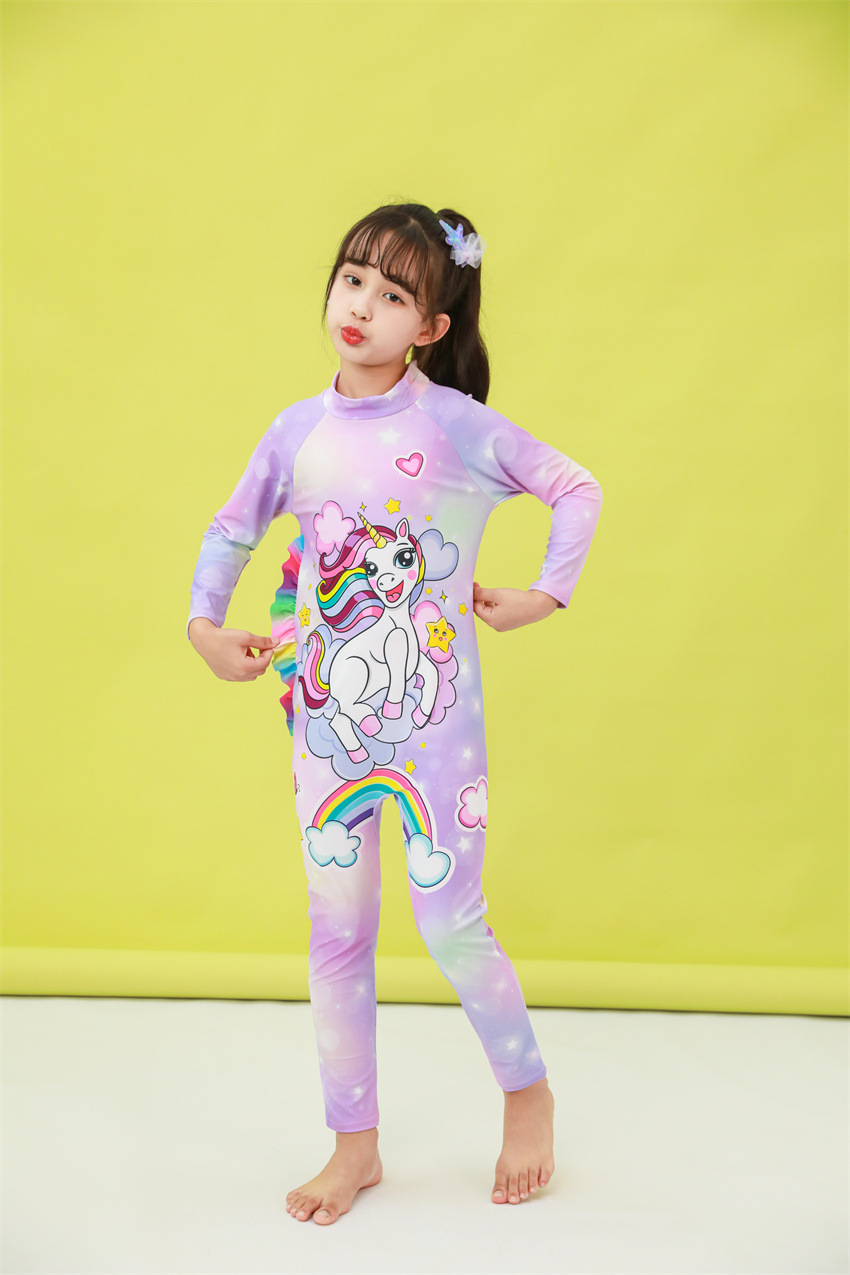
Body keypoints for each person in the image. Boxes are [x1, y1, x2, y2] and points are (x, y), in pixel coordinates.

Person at [187, 203, 603, 1225]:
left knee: (449, 921)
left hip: (434, 737)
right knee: (337, 933)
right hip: (326, 734)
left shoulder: (454, 424)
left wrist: (545, 594)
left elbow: (575, 487)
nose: (361, 305)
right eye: (351, 278)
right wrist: (205, 625)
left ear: (429, 325)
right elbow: (232, 529)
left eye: (392, 293)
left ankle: (527, 1092)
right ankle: (354, 1145)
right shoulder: (296, 430)